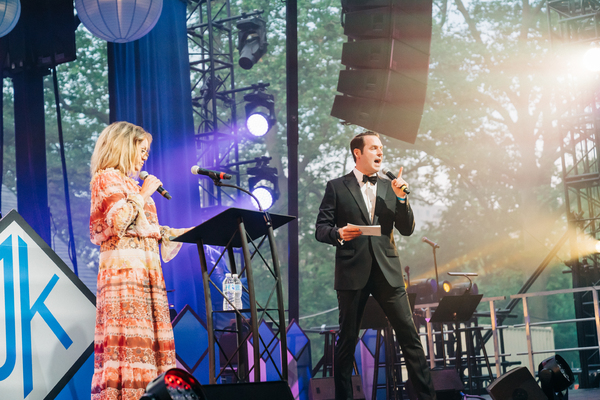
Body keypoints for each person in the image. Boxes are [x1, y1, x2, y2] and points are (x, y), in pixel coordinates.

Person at [315, 131, 437, 400]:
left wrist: (402, 199)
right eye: (373, 148)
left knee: (411, 339)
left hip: (387, 272)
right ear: (357, 153)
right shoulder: (336, 187)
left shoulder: (389, 186)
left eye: (381, 148)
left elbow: (406, 229)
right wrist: (338, 233)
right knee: (346, 344)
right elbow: (320, 229)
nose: (380, 153)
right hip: (352, 273)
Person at [89, 121, 188, 400]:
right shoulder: (106, 178)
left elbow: (145, 230)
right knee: (130, 343)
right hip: (124, 275)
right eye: (141, 149)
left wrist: (186, 232)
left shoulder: (131, 185)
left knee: (151, 346)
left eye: (147, 151)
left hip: (146, 275)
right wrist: (143, 193)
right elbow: (118, 222)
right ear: (123, 145)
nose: (145, 156)